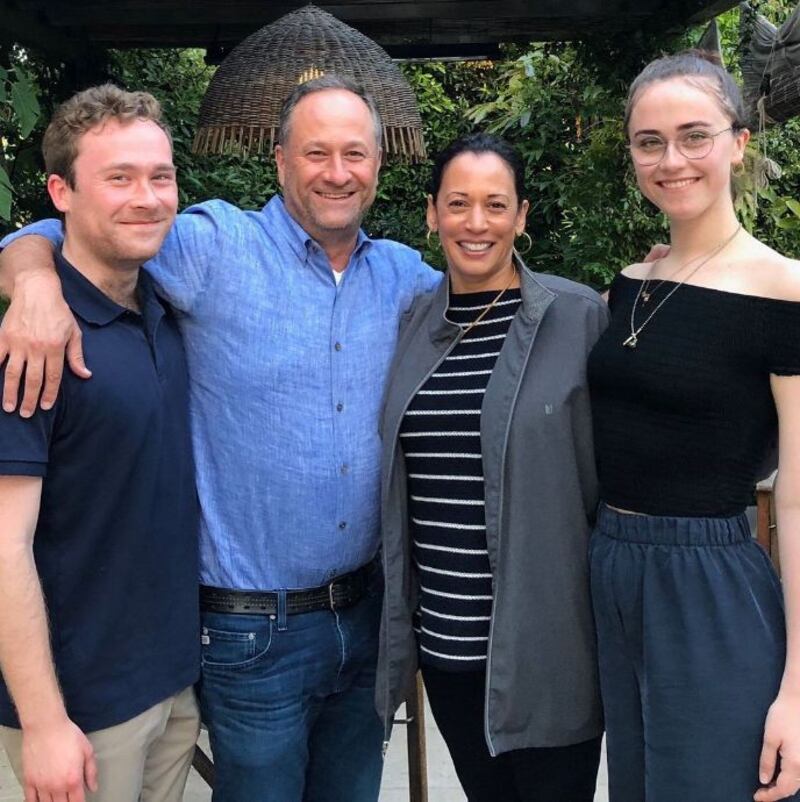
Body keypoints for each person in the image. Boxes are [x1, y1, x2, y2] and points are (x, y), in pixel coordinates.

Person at [0, 74, 440, 802]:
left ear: (378, 164)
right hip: (251, 633)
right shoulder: (214, 249)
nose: (337, 172)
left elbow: (493, 292)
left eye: (355, 153)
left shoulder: (403, 278)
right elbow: (85, 227)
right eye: (316, 152)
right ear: (280, 160)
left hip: (365, 620)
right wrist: (33, 279)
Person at [587, 50, 800, 802]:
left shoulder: (784, 291)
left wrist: (799, 689)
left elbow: (797, 500)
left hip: (709, 580)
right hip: (613, 567)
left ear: (739, 143)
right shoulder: (631, 285)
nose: (671, 160)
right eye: (650, 142)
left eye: (694, 136)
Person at [375, 133, 607, 801]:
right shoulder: (411, 324)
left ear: (521, 215)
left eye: (495, 204)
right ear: (432, 213)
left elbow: (614, 478)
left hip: (548, 656)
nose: (476, 223)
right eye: (458, 203)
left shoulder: (577, 318)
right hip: (447, 652)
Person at [0, 85, 200, 802]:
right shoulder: (33, 346)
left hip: (171, 683)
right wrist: (44, 722)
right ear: (61, 192)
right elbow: (3, 546)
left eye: (160, 176)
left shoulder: (164, 311)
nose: (146, 198)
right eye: (119, 177)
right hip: (81, 710)